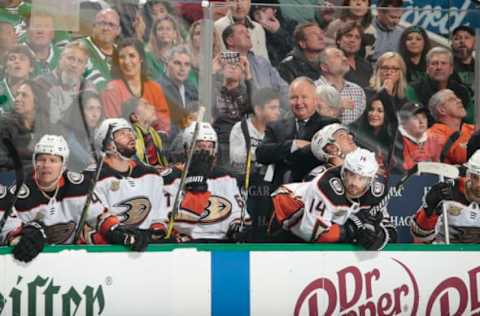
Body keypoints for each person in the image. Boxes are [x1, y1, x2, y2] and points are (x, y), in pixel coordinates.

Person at [6, 135, 108, 263]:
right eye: (42, 159)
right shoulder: (18, 192)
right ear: (34, 162)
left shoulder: (79, 185)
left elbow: (100, 217)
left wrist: (116, 230)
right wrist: (18, 239)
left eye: (53, 160)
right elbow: (9, 230)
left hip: (72, 260)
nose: (46, 165)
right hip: (34, 263)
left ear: (63, 164)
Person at [270, 148, 396, 250]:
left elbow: (390, 230)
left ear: (370, 180)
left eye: (362, 178)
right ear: (343, 172)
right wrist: (351, 231)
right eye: (351, 175)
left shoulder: (376, 191)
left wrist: (379, 237)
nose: (354, 183)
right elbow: (314, 234)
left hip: (326, 222)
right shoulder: (326, 186)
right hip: (289, 209)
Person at [83, 118, 170, 246]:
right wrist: (120, 237)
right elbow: (93, 220)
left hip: (146, 250)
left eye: (130, 132)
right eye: (122, 133)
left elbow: (160, 215)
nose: (130, 135)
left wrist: (154, 233)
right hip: (110, 249)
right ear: (108, 144)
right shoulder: (92, 176)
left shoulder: (151, 175)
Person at [162, 121, 249, 242]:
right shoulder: (171, 178)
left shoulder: (225, 177)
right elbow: (176, 223)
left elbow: (238, 214)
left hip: (222, 243)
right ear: (187, 148)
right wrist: (196, 184)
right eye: (200, 146)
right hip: (187, 246)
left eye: (210, 146)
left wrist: (237, 225)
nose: (206, 151)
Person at [256, 77, 338, 188]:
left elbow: (325, 155)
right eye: (294, 98)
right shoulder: (276, 126)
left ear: (315, 100)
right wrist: (293, 145)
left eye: (304, 97)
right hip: (279, 193)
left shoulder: (329, 125)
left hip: (312, 191)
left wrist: (283, 153)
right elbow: (261, 153)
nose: (299, 102)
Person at [101, 37, 171, 135]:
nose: (127, 61)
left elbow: (165, 125)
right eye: (122, 57)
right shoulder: (112, 89)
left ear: (141, 58)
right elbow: (113, 127)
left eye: (132, 56)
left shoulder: (155, 88)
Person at [410, 150, 480, 243]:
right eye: (475, 177)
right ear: (469, 175)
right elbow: (420, 237)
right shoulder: (448, 190)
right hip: (445, 252)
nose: (479, 185)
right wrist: (429, 210)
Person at [222, 23, 289, 110]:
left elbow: (283, 88)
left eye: (247, 32)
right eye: (242, 32)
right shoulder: (224, 65)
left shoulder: (262, 62)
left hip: (273, 114)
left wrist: (289, 109)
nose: (248, 35)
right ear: (230, 41)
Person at [405, 47, 474, 124]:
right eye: (434, 63)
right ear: (427, 69)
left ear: (451, 69)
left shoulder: (462, 90)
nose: (439, 67)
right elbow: (416, 122)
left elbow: (471, 121)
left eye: (443, 63)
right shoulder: (413, 89)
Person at [35, 40, 95, 128]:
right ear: (60, 59)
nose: (74, 65)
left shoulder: (89, 87)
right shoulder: (41, 83)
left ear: (84, 68)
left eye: (80, 61)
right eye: (70, 58)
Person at [0, 80, 50, 174]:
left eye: (24, 95)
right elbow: (1, 160)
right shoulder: (4, 123)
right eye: (17, 94)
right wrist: (34, 166)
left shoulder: (45, 128)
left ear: (37, 101)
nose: (17, 99)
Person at [349, 93, 399, 175]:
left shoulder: (394, 140)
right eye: (371, 109)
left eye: (380, 111)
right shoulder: (358, 138)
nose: (373, 114)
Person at [315, 46, 366, 124]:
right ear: (324, 67)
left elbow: (363, 123)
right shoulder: (312, 89)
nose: (344, 59)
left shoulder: (358, 90)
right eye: (337, 56)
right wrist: (337, 106)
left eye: (344, 56)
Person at [427, 89, 474, 165]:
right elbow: (461, 157)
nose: (459, 100)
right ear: (442, 110)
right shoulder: (433, 135)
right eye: (451, 99)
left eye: (457, 98)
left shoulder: (471, 128)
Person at [156, 45, 198, 130]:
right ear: (167, 63)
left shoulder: (191, 88)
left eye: (187, 64)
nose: (182, 69)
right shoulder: (158, 88)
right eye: (177, 63)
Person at [80, 8, 122, 91]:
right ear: (93, 26)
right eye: (102, 23)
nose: (106, 28)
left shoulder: (123, 53)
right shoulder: (79, 48)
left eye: (111, 25)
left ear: (118, 30)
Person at [121, 97, 168, 169]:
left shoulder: (154, 134)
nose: (153, 107)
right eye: (146, 105)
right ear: (135, 117)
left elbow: (165, 156)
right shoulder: (131, 137)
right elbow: (134, 162)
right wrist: (152, 169)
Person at [62, 91, 104, 172]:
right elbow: (92, 163)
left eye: (98, 108)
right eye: (90, 108)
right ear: (79, 111)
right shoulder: (67, 135)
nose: (95, 114)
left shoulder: (98, 133)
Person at [249, 0, 296, 67]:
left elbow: (295, 49)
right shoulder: (252, 28)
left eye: (264, 10)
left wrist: (278, 31)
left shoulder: (290, 24)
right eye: (256, 13)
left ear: (274, 10)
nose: (260, 16)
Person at [397, 102, 442, 170]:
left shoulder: (434, 139)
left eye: (424, 117)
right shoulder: (398, 142)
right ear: (404, 122)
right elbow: (407, 169)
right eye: (415, 118)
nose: (421, 121)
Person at [335, 21, 373, 89]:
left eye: (357, 37)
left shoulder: (366, 65)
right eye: (348, 36)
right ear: (338, 40)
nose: (352, 40)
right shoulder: (332, 63)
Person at [21, 12, 60, 77]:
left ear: (53, 32)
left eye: (46, 26)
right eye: (36, 26)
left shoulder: (65, 56)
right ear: (27, 31)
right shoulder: (12, 55)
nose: (40, 31)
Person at [0, 45, 33, 112]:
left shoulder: (38, 91)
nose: (17, 61)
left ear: (31, 68)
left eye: (22, 59)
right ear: (5, 68)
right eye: (12, 59)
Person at [451, 25, 475, 92]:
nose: (462, 41)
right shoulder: (444, 66)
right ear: (452, 44)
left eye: (467, 38)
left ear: (475, 44)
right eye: (457, 38)